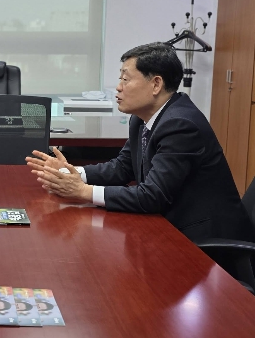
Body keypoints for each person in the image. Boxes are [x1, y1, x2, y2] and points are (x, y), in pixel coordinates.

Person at [27, 42, 254, 243]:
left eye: (125, 79)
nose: (118, 87)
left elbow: (152, 196)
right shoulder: (141, 118)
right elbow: (123, 167)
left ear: (156, 84)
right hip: (168, 226)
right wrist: (69, 172)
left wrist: (83, 191)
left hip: (204, 240)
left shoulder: (181, 125)